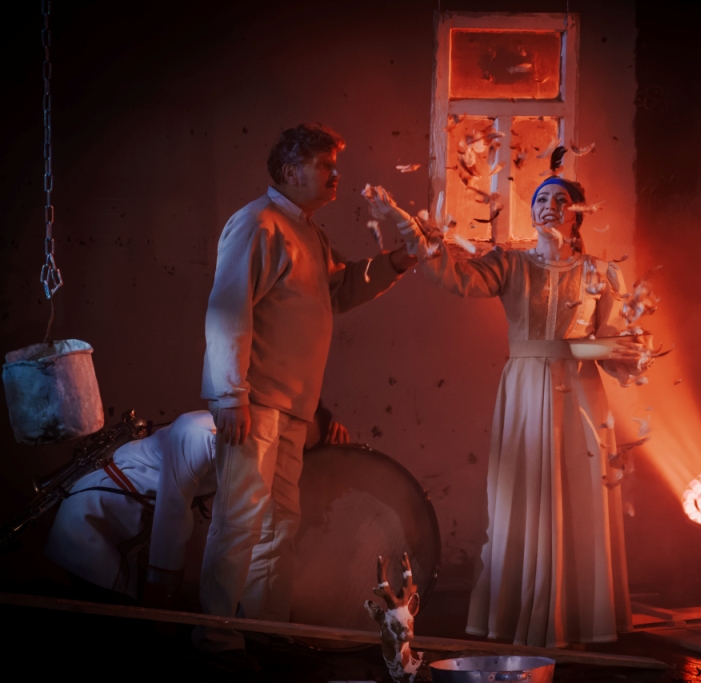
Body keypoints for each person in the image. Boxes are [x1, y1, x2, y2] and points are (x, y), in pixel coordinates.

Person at [366, 175, 651, 648]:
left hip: (581, 395)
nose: (550, 206)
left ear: (579, 214)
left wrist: (626, 354)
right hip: (524, 389)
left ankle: (577, 617)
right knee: (524, 492)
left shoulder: (601, 273)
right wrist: (409, 228)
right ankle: (523, 612)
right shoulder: (511, 264)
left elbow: (610, 343)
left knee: (578, 493)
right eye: (542, 199)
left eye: (562, 200)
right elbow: (455, 278)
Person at [197, 123, 415, 655]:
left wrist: (397, 262)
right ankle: (216, 640)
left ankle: (267, 633)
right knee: (240, 523)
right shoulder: (257, 224)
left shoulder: (308, 233)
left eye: (334, 165)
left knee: (278, 526)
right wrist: (230, 395)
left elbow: (337, 289)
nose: (336, 175)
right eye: (325, 165)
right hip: (254, 403)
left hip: (291, 407)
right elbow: (227, 311)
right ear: (291, 171)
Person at [43, 405, 347, 606]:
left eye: (297, 448)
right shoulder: (201, 433)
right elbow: (171, 519)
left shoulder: (256, 451)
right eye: (286, 438)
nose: (286, 451)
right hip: (91, 522)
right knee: (121, 634)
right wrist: (165, 598)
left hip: (126, 535)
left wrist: (332, 453)